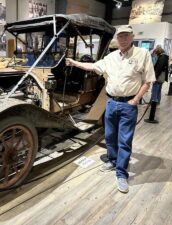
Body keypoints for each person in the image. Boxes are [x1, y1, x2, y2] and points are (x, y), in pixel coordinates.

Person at [66, 25, 155, 193]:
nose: (123, 39)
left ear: (132, 36)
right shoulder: (111, 57)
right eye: (120, 36)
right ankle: (113, 161)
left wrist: (135, 100)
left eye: (126, 36)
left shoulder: (142, 55)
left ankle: (121, 173)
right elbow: (92, 66)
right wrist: (74, 63)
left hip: (128, 104)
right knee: (109, 136)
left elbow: (148, 81)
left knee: (124, 140)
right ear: (117, 39)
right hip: (111, 103)